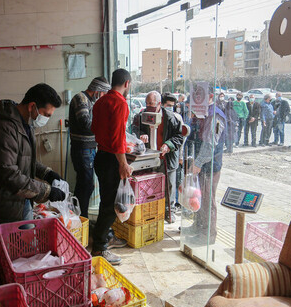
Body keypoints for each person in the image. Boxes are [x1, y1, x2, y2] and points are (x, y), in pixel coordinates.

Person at [0, 83, 65, 279]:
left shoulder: (22, 123)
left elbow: (25, 159)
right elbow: (8, 174)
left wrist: (47, 173)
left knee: (17, 251)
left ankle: (12, 283)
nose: (45, 119)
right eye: (46, 114)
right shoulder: (1, 128)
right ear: (32, 106)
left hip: (15, 201)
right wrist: (46, 191)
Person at [91, 69, 133, 265]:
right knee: (109, 206)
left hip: (100, 156)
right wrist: (123, 163)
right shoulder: (120, 103)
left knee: (107, 202)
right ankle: (99, 247)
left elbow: (95, 129)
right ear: (127, 84)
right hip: (111, 160)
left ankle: (106, 237)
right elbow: (117, 139)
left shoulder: (99, 102)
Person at [132, 91, 184, 222]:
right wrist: (141, 134)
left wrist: (168, 145)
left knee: (169, 187)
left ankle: (169, 213)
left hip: (167, 159)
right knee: (150, 188)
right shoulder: (141, 116)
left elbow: (179, 136)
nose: (149, 106)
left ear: (160, 104)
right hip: (149, 158)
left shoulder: (171, 118)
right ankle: (152, 213)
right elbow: (134, 129)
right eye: (147, 103)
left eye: (152, 103)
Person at [69, 76, 111, 218]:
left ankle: (78, 217)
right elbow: (85, 123)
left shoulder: (91, 101)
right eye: (104, 93)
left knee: (85, 185)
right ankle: (82, 219)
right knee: (86, 185)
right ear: (98, 90)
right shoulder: (80, 98)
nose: (104, 97)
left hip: (89, 148)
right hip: (82, 149)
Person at [187, 92, 226, 245]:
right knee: (198, 197)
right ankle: (197, 227)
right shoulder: (202, 113)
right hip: (200, 164)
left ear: (209, 96)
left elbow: (210, 144)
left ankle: (207, 234)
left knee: (208, 201)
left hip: (209, 165)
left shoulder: (215, 116)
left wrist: (198, 163)